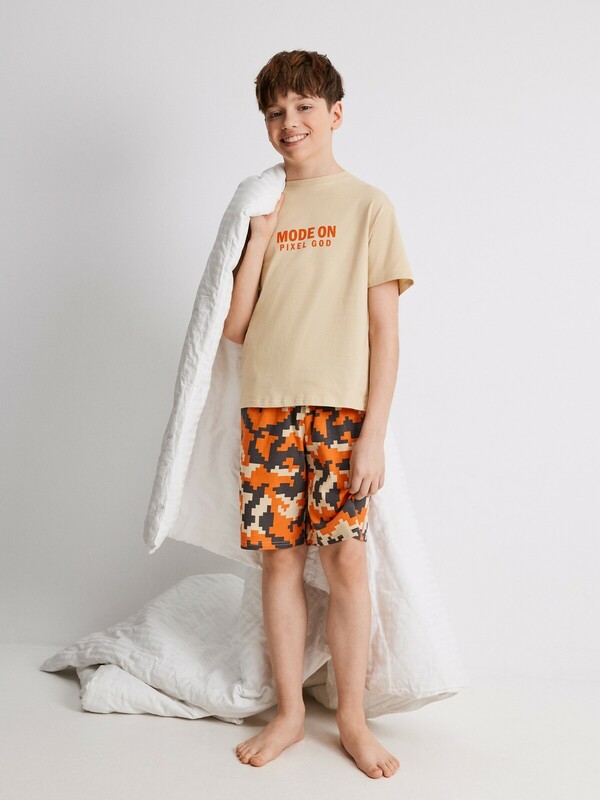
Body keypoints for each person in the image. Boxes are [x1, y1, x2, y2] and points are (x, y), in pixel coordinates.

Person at [222, 49, 414, 779]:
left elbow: (385, 331)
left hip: (340, 413)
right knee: (279, 559)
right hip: (267, 408)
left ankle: (354, 721)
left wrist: (374, 434)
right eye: (275, 112)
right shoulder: (260, 204)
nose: (289, 122)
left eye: (303, 107)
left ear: (335, 113)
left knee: (345, 559)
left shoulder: (369, 205)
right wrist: (259, 239)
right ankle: (291, 715)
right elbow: (235, 326)